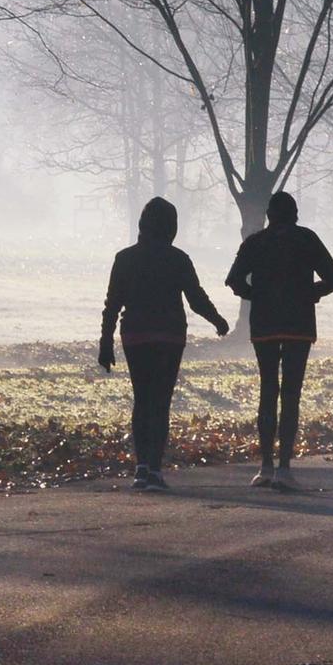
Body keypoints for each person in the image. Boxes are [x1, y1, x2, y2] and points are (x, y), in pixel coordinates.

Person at [99, 197, 230, 490]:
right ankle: (156, 470)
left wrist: (105, 342)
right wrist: (217, 320)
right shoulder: (178, 258)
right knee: (161, 402)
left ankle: (141, 467)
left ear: (142, 224)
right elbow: (195, 298)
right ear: (172, 227)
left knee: (142, 399)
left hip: (135, 335)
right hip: (169, 336)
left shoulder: (125, 258)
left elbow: (112, 304)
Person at [224, 191, 333, 490]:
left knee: (268, 389)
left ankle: (264, 465)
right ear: (295, 214)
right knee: (291, 393)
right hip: (299, 324)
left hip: (264, 324)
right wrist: (311, 293)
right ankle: (284, 468)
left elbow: (234, 280)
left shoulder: (254, 242)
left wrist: (256, 296)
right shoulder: (307, 239)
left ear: (269, 214)